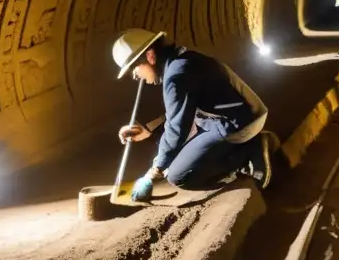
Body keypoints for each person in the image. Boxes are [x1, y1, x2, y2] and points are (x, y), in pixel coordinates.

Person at [113, 29, 276, 202]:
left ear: (150, 56)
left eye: (134, 68)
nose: (136, 76)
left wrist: (153, 172)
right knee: (172, 153)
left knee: (179, 175)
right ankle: (246, 147)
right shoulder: (181, 61)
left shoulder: (176, 76)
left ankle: (248, 153)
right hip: (235, 116)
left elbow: (177, 130)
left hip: (238, 124)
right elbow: (178, 114)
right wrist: (149, 132)